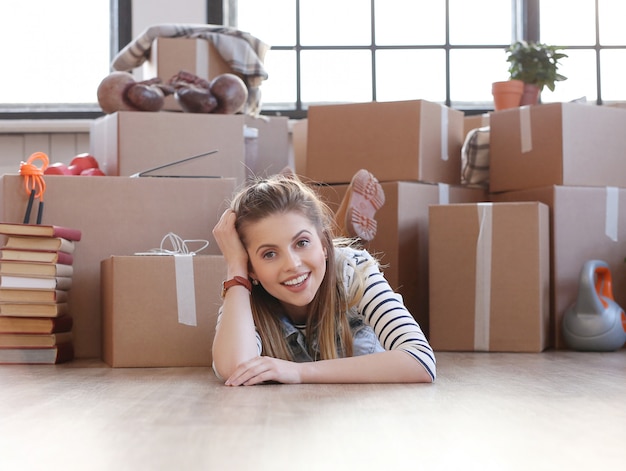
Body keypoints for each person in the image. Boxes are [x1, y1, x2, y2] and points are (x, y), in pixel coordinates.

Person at [211, 171, 436, 386]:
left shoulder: (353, 271)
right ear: (252, 269)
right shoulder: (242, 294)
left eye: (302, 243)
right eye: (269, 254)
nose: (292, 265)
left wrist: (299, 372)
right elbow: (236, 370)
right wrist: (236, 267)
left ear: (325, 244)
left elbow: (420, 360)